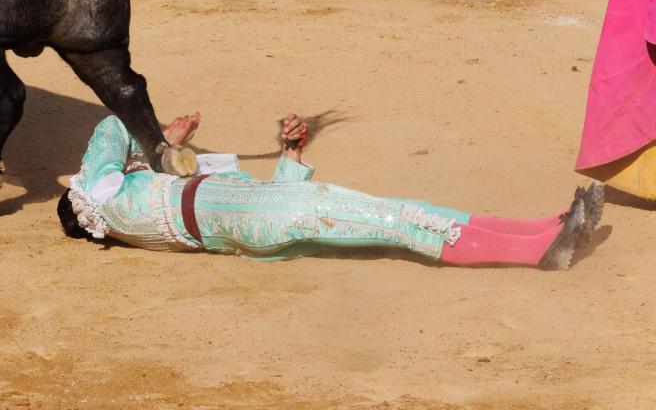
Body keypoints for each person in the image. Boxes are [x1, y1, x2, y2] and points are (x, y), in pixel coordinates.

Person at [58, 113, 603, 269]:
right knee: (404, 222)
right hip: (257, 216)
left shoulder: (140, 213)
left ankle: (548, 228)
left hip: (256, 219)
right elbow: (112, 125)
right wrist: (162, 142)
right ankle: (536, 249)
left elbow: (257, 203)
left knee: (403, 217)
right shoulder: (100, 192)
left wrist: (291, 155)